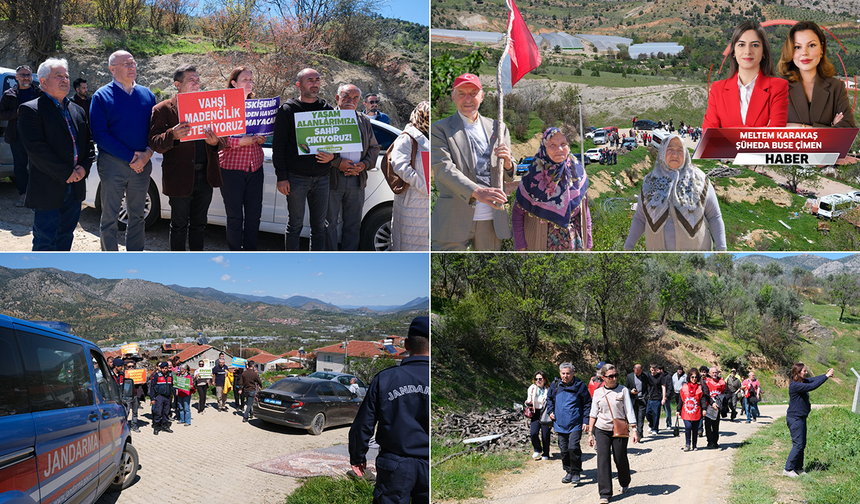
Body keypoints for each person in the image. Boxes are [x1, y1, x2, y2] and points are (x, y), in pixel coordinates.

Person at [349, 316, 429, 502]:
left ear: (406, 344)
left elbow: (363, 423)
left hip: (394, 466)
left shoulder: (385, 379)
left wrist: (357, 457)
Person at [17, 58, 94, 251]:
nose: (64, 79)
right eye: (58, 76)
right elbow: (36, 150)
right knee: (45, 240)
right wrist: (67, 172)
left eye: (66, 76)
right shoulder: (30, 110)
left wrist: (83, 169)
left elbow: (88, 144)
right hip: (48, 188)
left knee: (65, 237)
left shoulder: (77, 110)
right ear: (43, 82)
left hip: (75, 188)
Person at [430, 73, 514, 250]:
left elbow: (509, 175)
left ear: (481, 96)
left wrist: (508, 163)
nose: (468, 99)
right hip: (452, 219)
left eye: (473, 93)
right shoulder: (439, 129)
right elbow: (443, 169)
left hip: (491, 220)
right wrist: (477, 192)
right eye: (461, 93)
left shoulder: (498, 128)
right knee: (446, 267)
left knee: (488, 268)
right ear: (453, 97)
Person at [148, 64, 225, 251]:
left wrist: (215, 142)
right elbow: (154, 143)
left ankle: (196, 261)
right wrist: (172, 135)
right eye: (191, 80)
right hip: (179, 177)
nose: (197, 84)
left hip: (205, 176)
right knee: (179, 225)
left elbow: (223, 138)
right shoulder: (162, 109)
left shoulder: (208, 106)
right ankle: (178, 262)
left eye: (198, 80)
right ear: (178, 84)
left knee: (199, 225)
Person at [90, 50, 156, 251]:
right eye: (126, 64)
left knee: (137, 217)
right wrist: (131, 157)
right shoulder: (101, 96)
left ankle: (134, 257)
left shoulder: (147, 95)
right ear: (112, 69)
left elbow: (155, 130)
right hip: (113, 164)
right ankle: (110, 259)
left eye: (133, 63)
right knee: (110, 217)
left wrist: (147, 154)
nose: (131, 66)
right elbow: (100, 134)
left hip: (142, 165)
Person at [624, 134, 726, 251]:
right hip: (658, 257)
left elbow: (714, 216)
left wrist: (721, 247)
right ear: (662, 152)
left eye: (680, 150)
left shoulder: (700, 180)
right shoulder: (649, 182)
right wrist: (628, 247)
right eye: (670, 149)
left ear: (685, 153)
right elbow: (640, 218)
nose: (675, 154)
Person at [272, 68, 336, 251]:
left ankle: (315, 262)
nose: (315, 84)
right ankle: (292, 263)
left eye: (317, 80)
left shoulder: (327, 110)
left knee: (319, 227)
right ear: (298, 85)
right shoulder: (287, 110)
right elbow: (278, 146)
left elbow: (337, 142)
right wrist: (281, 177)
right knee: (295, 225)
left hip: (322, 178)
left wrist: (333, 156)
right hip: (295, 178)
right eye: (310, 80)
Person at [511, 127, 592, 251]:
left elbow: (585, 210)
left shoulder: (577, 171)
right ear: (544, 148)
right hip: (539, 244)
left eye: (563, 144)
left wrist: (588, 242)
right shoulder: (532, 175)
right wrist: (520, 245)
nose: (559, 149)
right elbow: (517, 213)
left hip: (574, 243)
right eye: (552, 145)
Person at [702, 21, 788, 131]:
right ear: (734, 51)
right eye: (741, 45)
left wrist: (726, 132)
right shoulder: (717, 89)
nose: (748, 51)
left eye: (755, 45)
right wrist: (761, 130)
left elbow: (775, 134)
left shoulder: (779, 87)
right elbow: (709, 135)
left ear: (764, 51)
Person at [326, 83, 380, 251]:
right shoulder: (325, 119)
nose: (351, 101)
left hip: (357, 179)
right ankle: (329, 259)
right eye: (347, 97)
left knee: (353, 224)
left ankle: (349, 260)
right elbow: (316, 149)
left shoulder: (364, 120)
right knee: (329, 223)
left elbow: (374, 148)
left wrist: (364, 165)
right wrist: (337, 163)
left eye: (355, 98)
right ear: (337, 98)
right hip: (332, 179)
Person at [218, 67, 267, 251]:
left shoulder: (257, 107)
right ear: (234, 83)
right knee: (235, 217)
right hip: (231, 169)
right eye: (245, 79)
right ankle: (235, 255)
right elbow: (218, 139)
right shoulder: (223, 107)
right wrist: (239, 142)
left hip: (255, 168)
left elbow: (264, 133)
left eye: (251, 79)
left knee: (254, 217)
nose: (249, 82)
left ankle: (250, 255)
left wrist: (262, 138)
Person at [779, 21, 856, 129]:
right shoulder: (777, 87)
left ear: (821, 49)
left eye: (811, 45)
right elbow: (766, 129)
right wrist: (831, 128)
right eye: (797, 47)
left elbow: (848, 130)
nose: (804, 52)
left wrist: (801, 127)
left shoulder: (836, 87)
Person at [587, 364, 638, 504]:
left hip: (619, 429)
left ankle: (624, 481)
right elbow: (593, 413)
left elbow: (629, 410)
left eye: (615, 375)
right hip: (602, 429)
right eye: (610, 376)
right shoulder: (598, 392)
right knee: (603, 459)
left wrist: (634, 430)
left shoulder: (623, 390)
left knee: (620, 458)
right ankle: (605, 493)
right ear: (603, 377)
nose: (614, 378)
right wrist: (590, 433)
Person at [390, 101, 430, 251]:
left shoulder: (433, 136)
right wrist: (424, 185)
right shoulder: (408, 137)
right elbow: (400, 166)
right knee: (408, 245)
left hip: (426, 205)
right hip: (412, 201)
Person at [0, 64, 42, 207]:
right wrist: (17, 113)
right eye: (23, 75)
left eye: (28, 75)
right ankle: (23, 194)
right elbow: (1, 114)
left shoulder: (39, 93)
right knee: (20, 166)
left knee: (38, 165)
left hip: (36, 136)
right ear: (17, 77)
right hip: (17, 136)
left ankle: (36, 194)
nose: (26, 77)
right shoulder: (9, 94)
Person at [784, 363, 834, 477]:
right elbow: (812, 386)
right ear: (798, 373)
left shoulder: (802, 381)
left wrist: (825, 375)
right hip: (795, 418)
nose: (806, 373)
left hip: (800, 417)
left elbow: (813, 380)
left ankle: (798, 468)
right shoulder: (795, 385)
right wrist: (826, 377)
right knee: (798, 444)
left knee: (802, 444)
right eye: (804, 371)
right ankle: (788, 469)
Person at [546, 362, 591, 485]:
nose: (565, 376)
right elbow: (549, 399)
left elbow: (587, 403)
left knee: (573, 447)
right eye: (563, 373)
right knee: (564, 449)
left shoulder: (580, 385)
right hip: (560, 423)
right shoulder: (555, 385)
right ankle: (568, 471)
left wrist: (586, 421)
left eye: (568, 373)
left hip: (575, 423)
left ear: (573, 373)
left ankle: (576, 472)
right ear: (560, 373)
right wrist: (550, 411)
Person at [526, 371, 552, 460]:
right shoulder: (532, 388)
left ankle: (546, 453)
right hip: (535, 412)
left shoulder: (549, 389)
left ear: (544, 379)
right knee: (533, 433)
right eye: (536, 379)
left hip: (546, 413)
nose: (538, 381)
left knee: (545, 434)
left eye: (540, 379)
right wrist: (527, 403)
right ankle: (537, 449)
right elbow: (528, 399)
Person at [679, 367, 703, 451]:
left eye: (696, 377)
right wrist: (678, 410)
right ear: (689, 377)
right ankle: (687, 444)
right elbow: (681, 399)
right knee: (688, 427)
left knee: (695, 429)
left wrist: (704, 409)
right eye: (692, 377)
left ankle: (694, 445)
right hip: (686, 411)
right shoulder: (684, 387)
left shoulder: (700, 387)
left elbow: (702, 399)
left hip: (696, 411)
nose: (694, 379)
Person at [702, 366, 726, 449]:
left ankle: (715, 442)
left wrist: (723, 399)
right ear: (709, 373)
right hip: (708, 406)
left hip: (717, 407)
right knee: (707, 425)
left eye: (716, 372)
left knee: (715, 425)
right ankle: (709, 441)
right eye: (713, 372)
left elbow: (728, 392)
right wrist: (711, 403)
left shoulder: (722, 382)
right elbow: (705, 394)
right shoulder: (706, 381)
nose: (715, 374)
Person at [149, 361, 174, 435]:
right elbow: (152, 388)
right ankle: (156, 427)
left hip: (167, 397)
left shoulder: (170, 376)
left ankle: (165, 426)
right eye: (163, 368)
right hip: (159, 396)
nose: (164, 370)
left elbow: (171, 386)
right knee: (158, 412)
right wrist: (152, 398)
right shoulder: (157, 376)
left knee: (166, 412)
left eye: (165, 368)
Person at [626, 364, 650, 440]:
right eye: (636, 373)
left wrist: (648, 395)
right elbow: (626, 388)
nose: (638, 374)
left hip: (642, 399)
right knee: (635, 417)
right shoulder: (629, 376)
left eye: (639, 373)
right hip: (633, 400)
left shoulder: (646, 376)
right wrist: (631, 391)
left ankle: (639, 433)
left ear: (641, 370)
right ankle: (637, 432)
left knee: (641, 417)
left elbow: (651, 385)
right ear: (634, 370)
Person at [645, 364, 666, 436]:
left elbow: (663, 387)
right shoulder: (648, 376)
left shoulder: (660, 377)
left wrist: (663, 398)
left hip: (657, 398)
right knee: (647, 413)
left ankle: (655, 429)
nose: (653, 371)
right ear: (650, 369)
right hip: (649, 398)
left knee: (656, 414)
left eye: (654, 370)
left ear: (657, 369)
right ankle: (651, 424)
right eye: (652, 370)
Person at [124, 360, 144, 433]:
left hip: (136, 395)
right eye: (129, 366)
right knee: (126, 411)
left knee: (135, 412)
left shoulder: (138, 374)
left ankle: (134, 426)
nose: (131, 368)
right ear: (126, 367)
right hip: (127, 396)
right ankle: (124, 426)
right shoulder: (124, 375)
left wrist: (142, 383)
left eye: (133, 366)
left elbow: (142, 383)